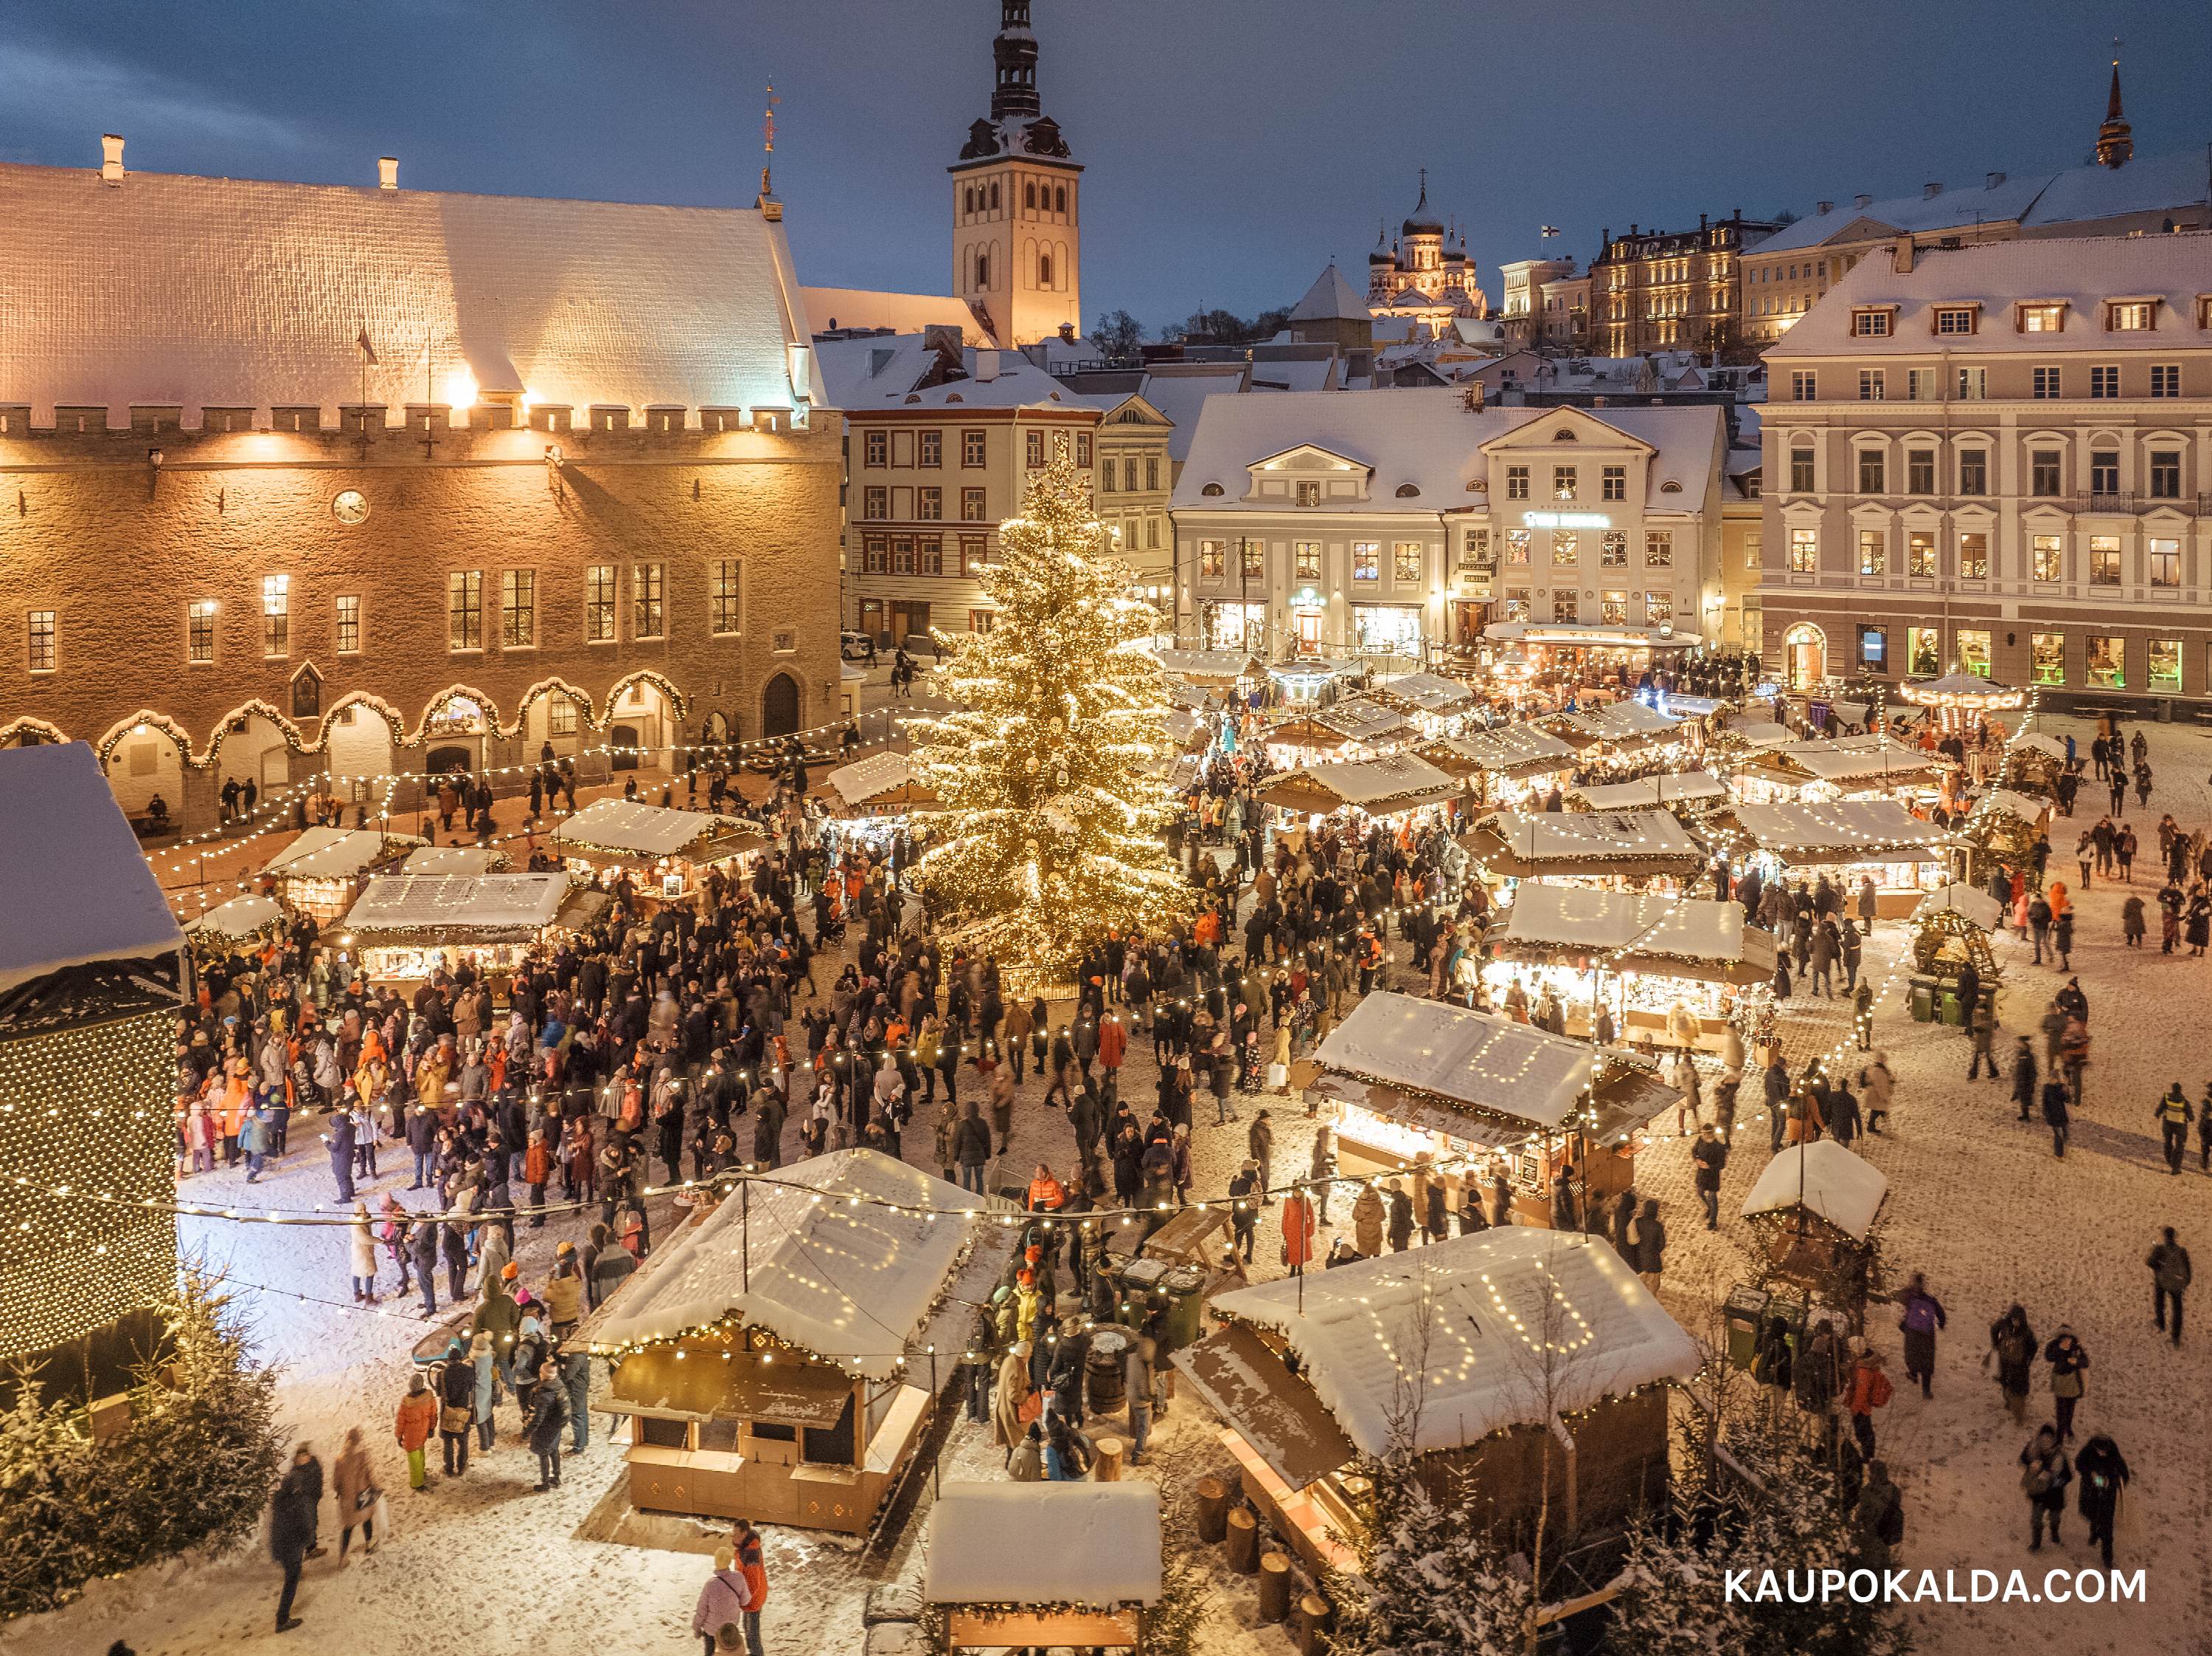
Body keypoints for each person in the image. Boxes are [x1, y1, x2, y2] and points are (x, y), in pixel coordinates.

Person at [268, 1447, 319, 1633]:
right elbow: (305, 1526)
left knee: (292, 1575)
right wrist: (308, 1540)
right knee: (291, 1581)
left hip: (282, 1548)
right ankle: (282, 1619)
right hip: (291, 1548)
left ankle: (282, 1616)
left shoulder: (280, 1501)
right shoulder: (297, 1503)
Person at [2075, 1433, 2132, 1567]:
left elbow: (2125, 1477)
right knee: (2092, 1515)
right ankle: (2094, 1533)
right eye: (2099, 1451)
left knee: (2107, 1527)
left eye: (2104, 1451)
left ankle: (2107, 1558)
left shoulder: (2115, 1457)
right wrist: (2090, 1474)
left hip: (2108, 1497)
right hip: (2090, 1493)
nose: (2101, 1454)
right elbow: (2079, 1464)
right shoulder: (2088, 1451)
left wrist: (2112, 1482)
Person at [693, 1551, 757, 1656]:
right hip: (730, 1628)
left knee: (709, 1652)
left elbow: (702, 1610)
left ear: (715, 1561)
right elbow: (746, 1600)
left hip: (711, 1629)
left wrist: (697, 1628)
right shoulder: (739, 1577)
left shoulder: (711, 1585)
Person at [2020, 1424, 2072, 1552]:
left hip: (2055, 1495)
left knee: (2055, 1518)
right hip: (2038, 1493)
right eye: (2043, 1439)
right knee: (2036, 1521)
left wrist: (2052, 1480)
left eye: (2048, 1440)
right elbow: (2022, 1459)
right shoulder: (2032, 1449)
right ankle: (2036, 1543)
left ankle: (2054, 1533)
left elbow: (2068, 1477)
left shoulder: (2060, 1456)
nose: (2045, 1443)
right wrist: (2031, 1465)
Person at [1896, 1272, 1947, 1400]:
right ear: (1924, 1286)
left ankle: (1913, 1374)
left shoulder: (1909, 1297)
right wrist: (1941, 1325)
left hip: (1912, 1332)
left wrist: (1909, 1287)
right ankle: (1926, 1392)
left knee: (1912, 1354)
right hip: (1927, 1334)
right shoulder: (1931, 1300)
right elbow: (1941, 1315)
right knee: (1926, 1361)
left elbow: (1898, 1295)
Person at [332, 1427, 377, 1560]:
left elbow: (335, 1483)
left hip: (347, 1498)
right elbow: (370, 1475)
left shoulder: (340, 1459)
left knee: (348, 1527)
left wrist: (341, 1491)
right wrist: (375, 1487)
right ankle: (369, 1544)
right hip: (363, 1493)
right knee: (367, 1520)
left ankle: (343, 1556)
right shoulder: (363, 1456)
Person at [1988, 1304, 2037, 1426]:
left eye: (2018, 1320)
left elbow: (2033, 1347)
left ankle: (2018, 1410)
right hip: (2004, 1360)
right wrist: (1996, 1344)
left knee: (2018, 1388)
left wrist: (2028, 1360)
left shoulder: (2027, 1332)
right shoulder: (2004, 1324)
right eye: (2014, 1319)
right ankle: (2008, 1401)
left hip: (2018, 1365)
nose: (2016, 1322)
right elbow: (1994, 1329)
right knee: (2004, 1381)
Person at [526, 1359, 569, 1490]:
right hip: (557, 1426)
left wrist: (528, 1430)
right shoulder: (559, 1386)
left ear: (544, 1374)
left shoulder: (545, 1394)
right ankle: (556, 1478)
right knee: (554, 1450)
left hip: (546, 1427)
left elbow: (539, 1417)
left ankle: (545, 1483)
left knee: (544, 1453)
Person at [1854, 1459, 1905, 1572]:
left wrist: (1856, 1524)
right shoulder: (1894, 1490)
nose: (1869, 1475)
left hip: (1872, 1535)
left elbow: (1863, 1512)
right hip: (1885, 1537)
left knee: (1869, 1568)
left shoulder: (1869, 1490)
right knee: (1881, 1567)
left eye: (1871, 1472)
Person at [1845, 1339, 1892, 1458]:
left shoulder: (1863, 1370)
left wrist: (1855, 1408)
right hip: (1864, 1407)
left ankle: (1868, 1459)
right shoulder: (1866, 1363)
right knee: (1866, 1433)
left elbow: (1861, 1393)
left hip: (1861, 1408)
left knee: (1863, 1434)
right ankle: (1869, 1456)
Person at [731, 1517, 769, 1656]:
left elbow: (753, 1584)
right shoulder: (745, 1548)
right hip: (749, 1598)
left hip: (753, 1600)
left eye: (736, 1534)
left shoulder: (750, 1554)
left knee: (753, 1637)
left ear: (745, 1534)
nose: (733, 1537)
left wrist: (742, 1599)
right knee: (748, 1631)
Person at [2148, 1225, 2191, 1347]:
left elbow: (2149, 1262)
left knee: (2160, 1302)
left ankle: (2161, 1323)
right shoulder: (2182, 1251)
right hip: (2177, 1284)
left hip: (2162, 1281)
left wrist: (2159, 1268)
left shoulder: (2160, 1250)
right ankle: (2176, 1337)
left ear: (2165, 1237)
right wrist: (2185, 1282)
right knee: (2177, 1310)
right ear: (2175, 1236)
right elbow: (2188, 1269)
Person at [394, 1372, 439, 1491]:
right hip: (423, 1431)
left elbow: (401, 1421)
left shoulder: (406, 1402)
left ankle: (417, 1482)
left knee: (414, 1458)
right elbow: (434, 1414)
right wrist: (432, 1428)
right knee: (421, 1452)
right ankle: (421, 1472)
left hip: (411, 1435)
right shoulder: (429, 1397)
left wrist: (399, 1436)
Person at [2044, 1326, 2090, 1442]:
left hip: (2072, 1382)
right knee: (2061, 1410)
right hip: (2059, 1381)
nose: (2067, 1341)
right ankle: (2059, 1437)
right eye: (2064, 1339)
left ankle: (2068, 1428)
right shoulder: (2054, 1346)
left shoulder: (2077, 1348)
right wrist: (2059, 1349)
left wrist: (2077, 1362)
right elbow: (2049, 1357)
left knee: (2070, 1409)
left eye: (2069, 1339)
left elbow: (2086, 1362)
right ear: (2060, 1339)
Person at [2154, 1083, 2193, 1175]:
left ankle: (2169, 1159)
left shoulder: (2166, 1098)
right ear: (2180, 1090)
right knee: (2179, 1147)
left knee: (2168, 1142)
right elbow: (2191, 1117)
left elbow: (2159, 1110)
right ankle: (2176, 1168)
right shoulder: (2184, 1101)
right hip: (2180, 1127)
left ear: (2172, 1089)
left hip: (2167, 1125)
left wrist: (2158, 1114)